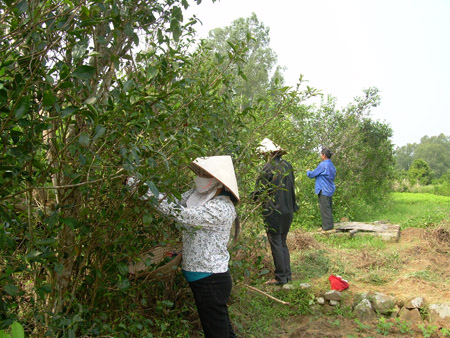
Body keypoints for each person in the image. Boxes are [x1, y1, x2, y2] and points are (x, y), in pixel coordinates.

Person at [127, 156, 240, 338]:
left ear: (218, 180)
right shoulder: (198, 194)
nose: (200, 177)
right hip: (201, 277)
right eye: (200, 172)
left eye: (205, 173)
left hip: (210, 279)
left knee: (216, 332)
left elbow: (182, 215)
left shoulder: (222, 208)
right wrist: (147, 188)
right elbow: (173, 200)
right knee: (222, 329)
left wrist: (140, 189)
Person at [253, 138, 299, 286]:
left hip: (273, 210)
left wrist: (250, 199)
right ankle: (287, 275)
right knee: (282, 241)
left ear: (268, 153)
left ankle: (280, 277)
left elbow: (261, 192)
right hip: (288, 210)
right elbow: (292, 190)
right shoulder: (288, 165)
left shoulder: (267, 168)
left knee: (276, 242)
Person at [306, 148, 336, 232]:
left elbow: (312, 174)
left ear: (324, 155)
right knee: (328, 207)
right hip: (330, 188)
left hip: (323, 189)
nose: (320, 156)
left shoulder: (323, 165)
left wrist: (308, 171)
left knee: (324, 208)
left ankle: (327, 228)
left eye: (321, 154)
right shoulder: (332, 165)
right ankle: (327, 226)